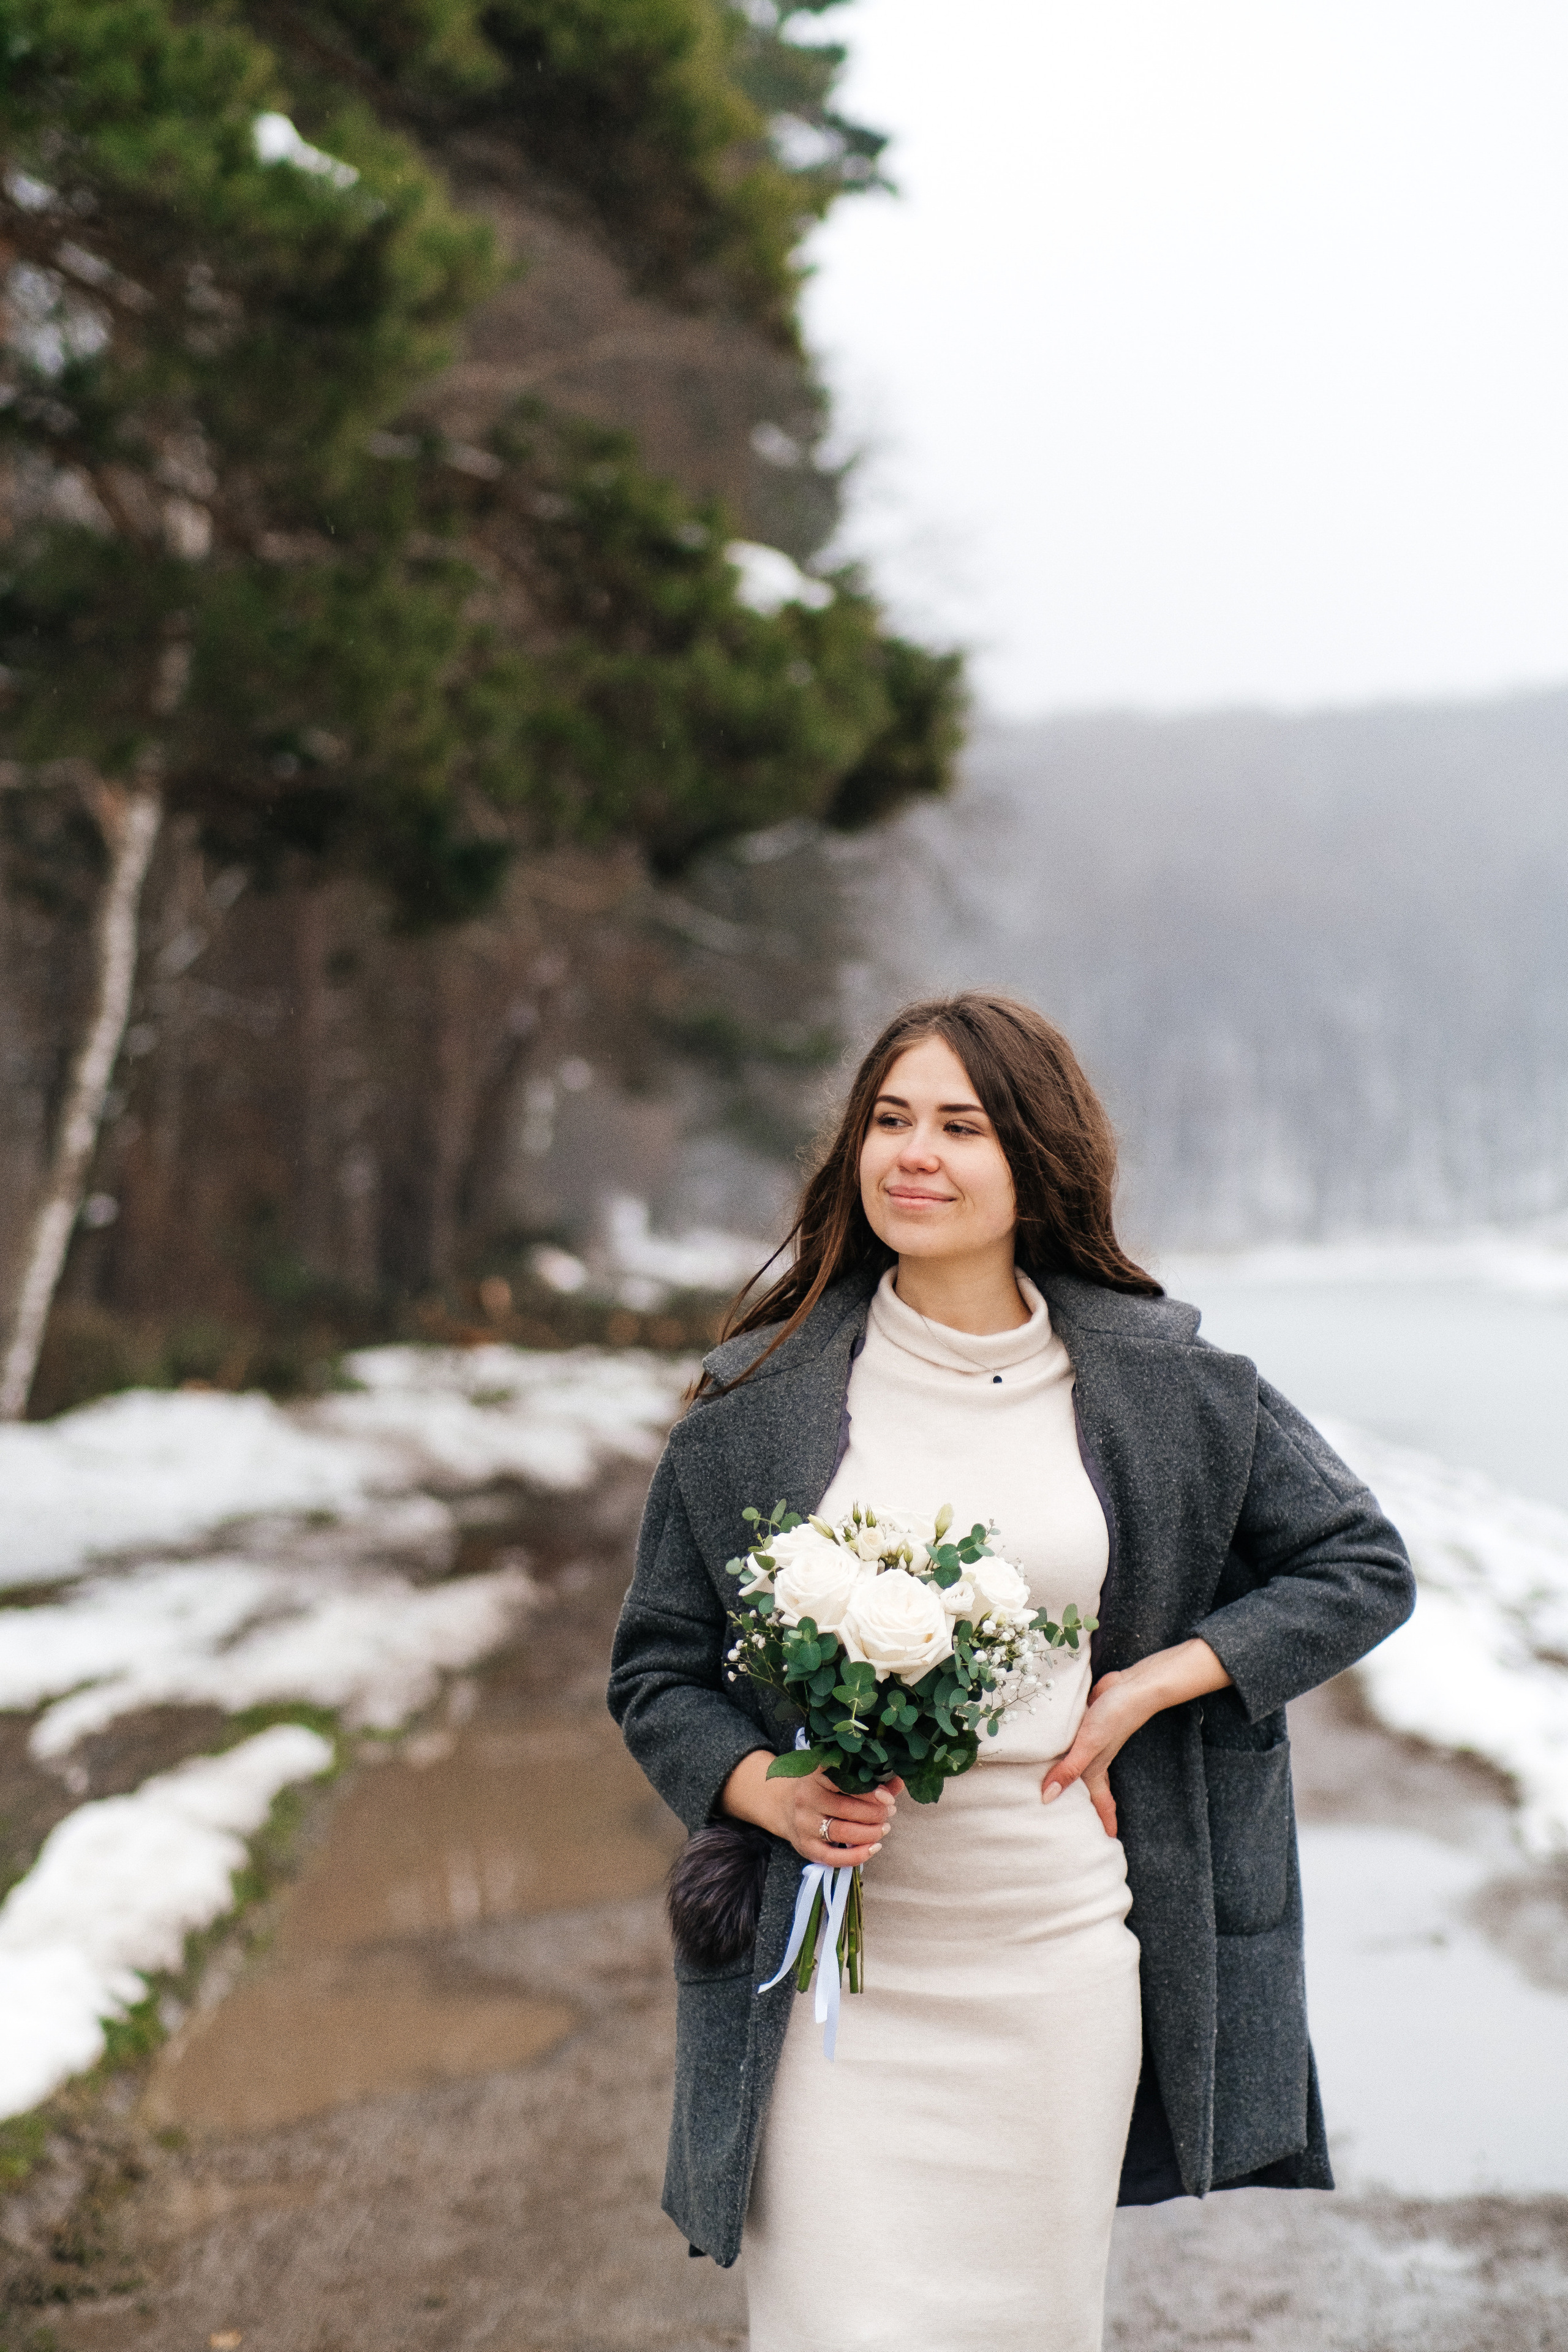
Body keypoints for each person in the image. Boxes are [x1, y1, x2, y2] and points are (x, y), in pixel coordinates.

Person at [608, 992, 1415, 2352]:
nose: (912, 1155)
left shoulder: (1163, 1383)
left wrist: (1155, 1682)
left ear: (1032, 1158)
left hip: (1052, 1965)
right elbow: (656, 1671)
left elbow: (1357, 1563)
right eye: (888, 1120)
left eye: (959, 1126)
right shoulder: (757, 1399)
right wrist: (761, 1787)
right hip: (832, 1985)